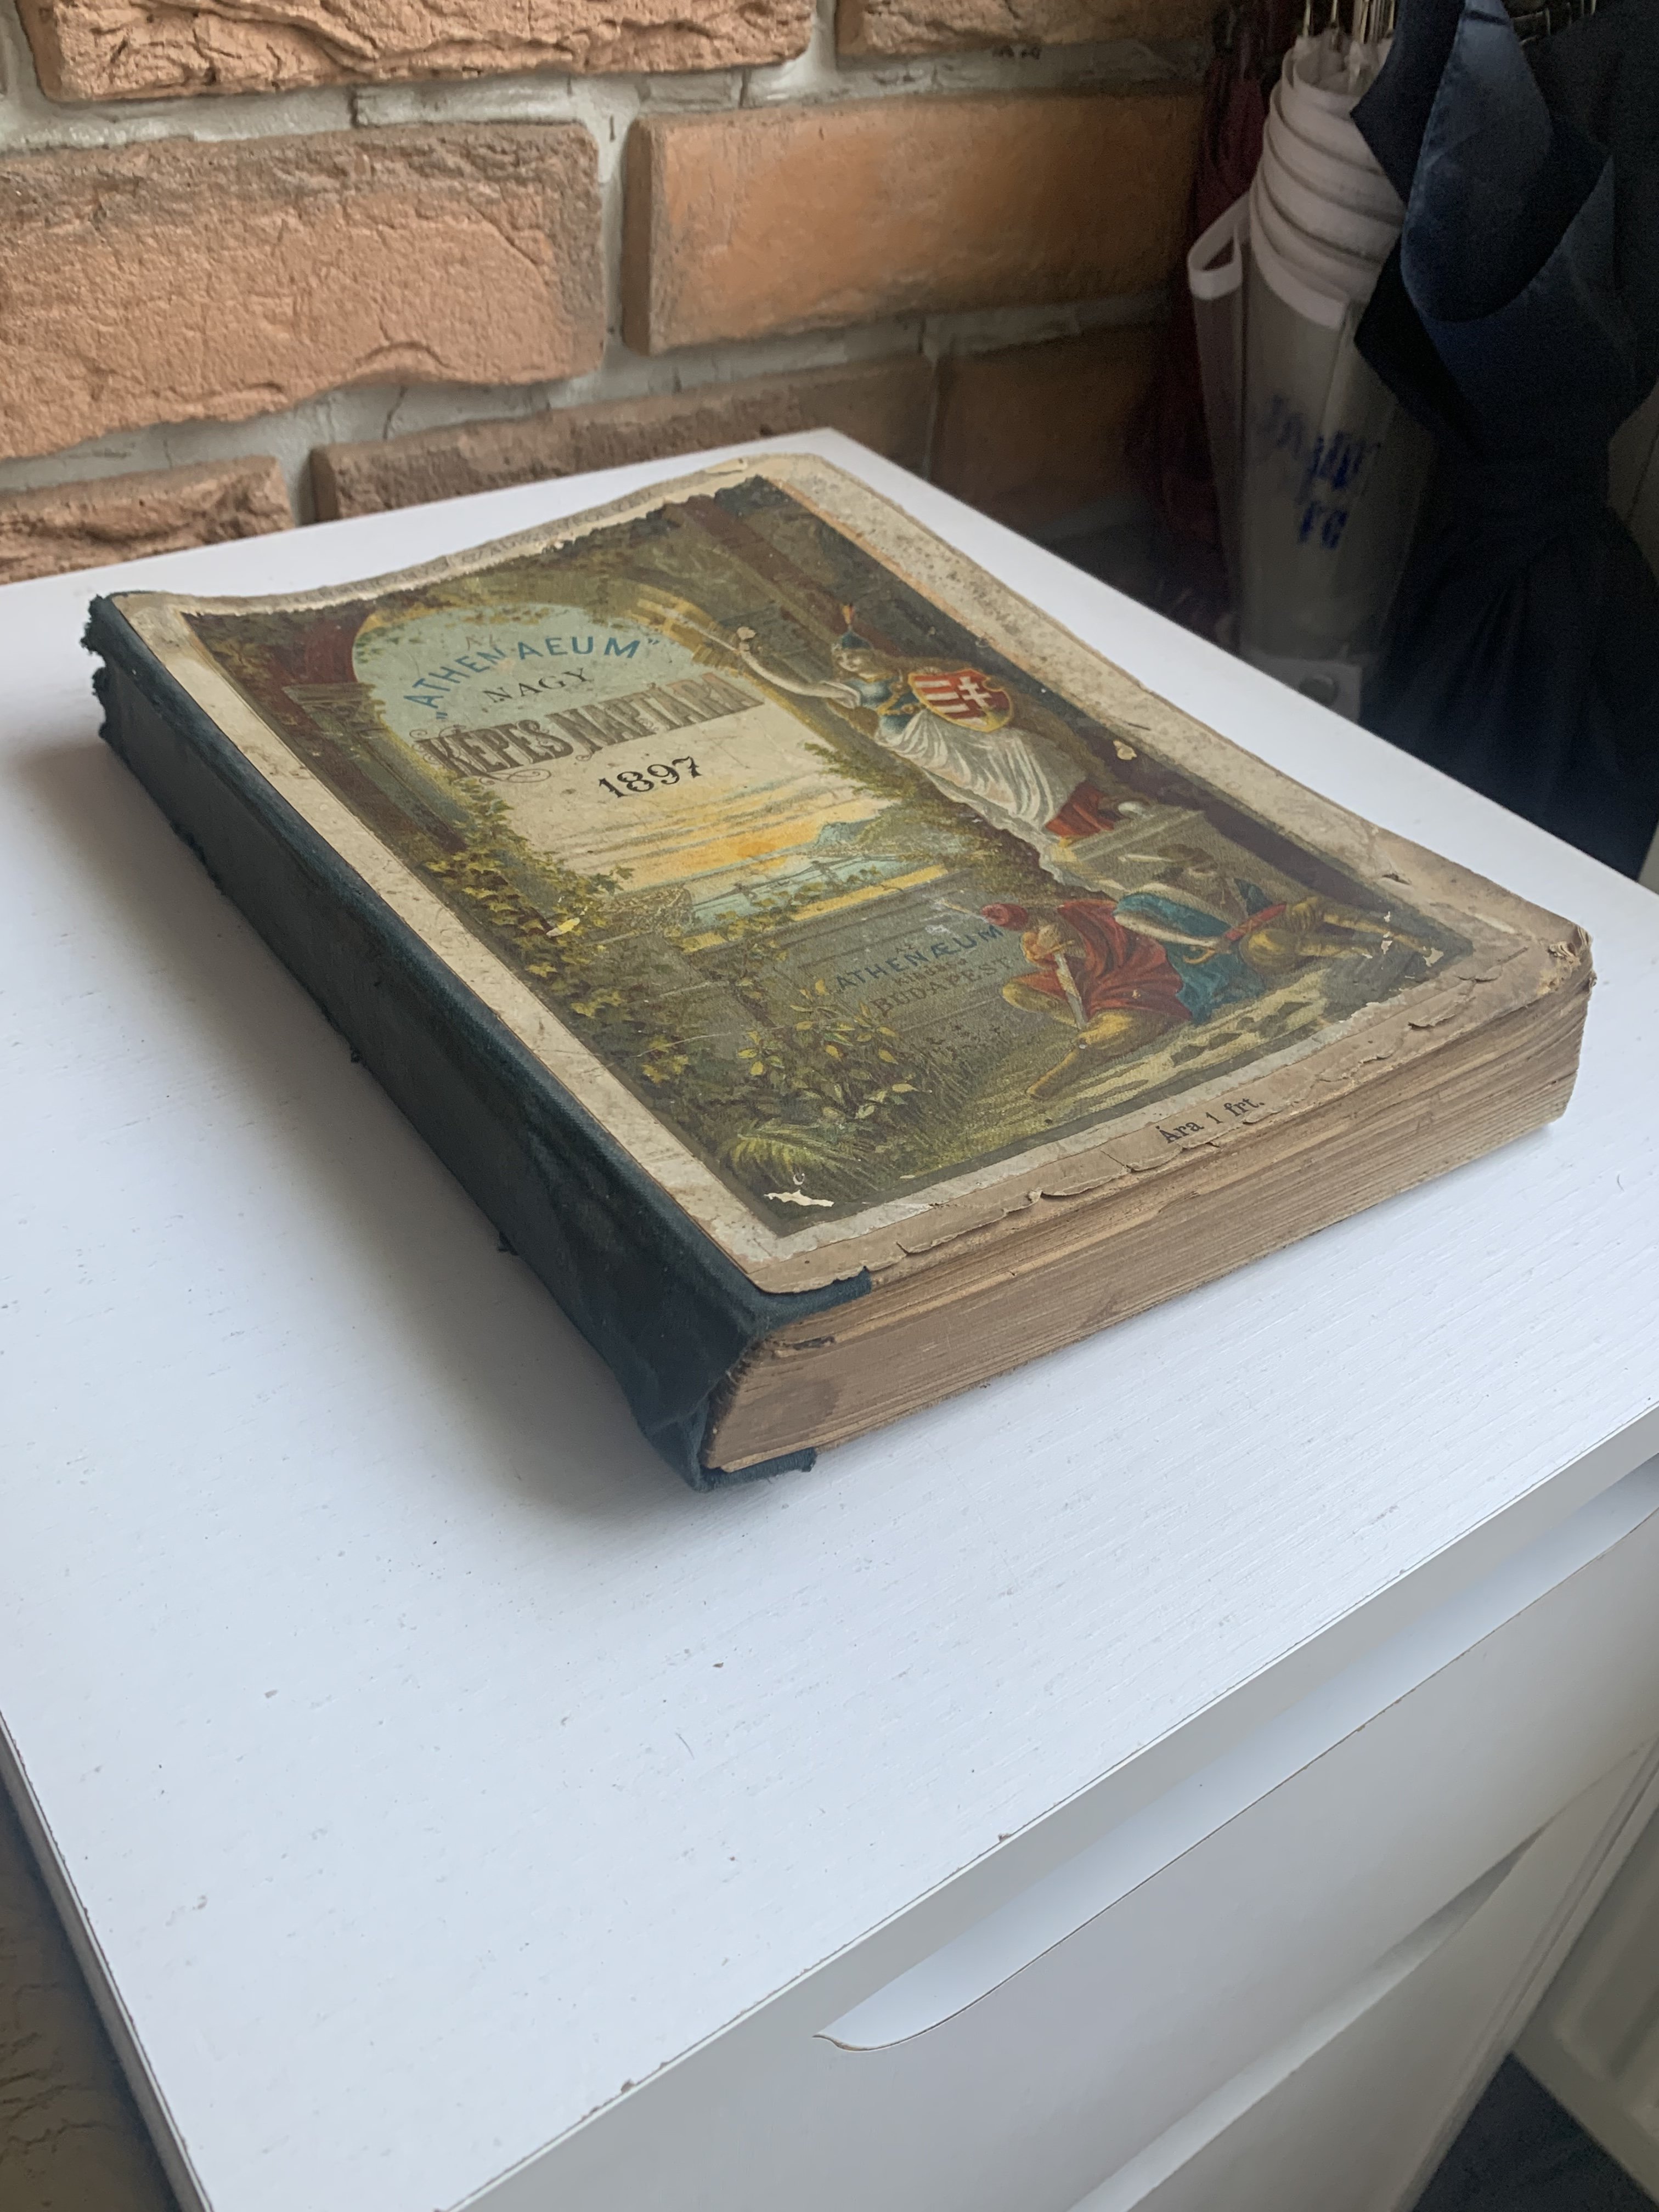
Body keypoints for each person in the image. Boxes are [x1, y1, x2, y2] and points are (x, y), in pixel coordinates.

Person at [728, 611, 1144, 857]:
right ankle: (1063, 827)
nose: (851, 663)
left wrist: (933, 679)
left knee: (1022, 744)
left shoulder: (909, 670)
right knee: (996, 784)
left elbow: (964, 694)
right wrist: (754, 661)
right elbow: (802, 688)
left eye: (853, 654)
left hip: (959, 730)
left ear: (867, 651)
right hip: (926, 743)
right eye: (844, 660)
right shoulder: (854, 690)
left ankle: (1097, 804)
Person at [982, 900, 1189, 1099]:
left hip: (1135, 979)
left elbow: (1119, 949)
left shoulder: (1085, 913)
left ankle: (1062, 1073)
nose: (1035, 928)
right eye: (1030, 926)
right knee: (1016, 991)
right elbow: (1061, 966)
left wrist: (1072, 943)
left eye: (1037, 921)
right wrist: (1047, 950)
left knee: (1115, 1032)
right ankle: (1093, 1024)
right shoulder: (1033, 939)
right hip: (1090, 986)